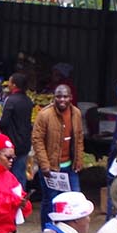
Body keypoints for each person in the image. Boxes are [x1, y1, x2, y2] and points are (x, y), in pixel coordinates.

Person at [31, 84, 85, 225]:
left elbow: (79, 138)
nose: (62, 100)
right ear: (54, 98)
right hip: (51, 168)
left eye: (65, 96)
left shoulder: (76, 113)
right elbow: (37, 140)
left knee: (75, 199)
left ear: (71, 98)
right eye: (59, 96)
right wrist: (44, 164)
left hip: (70, 166)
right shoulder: (45, 115)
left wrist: (79, 159)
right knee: (51, 200)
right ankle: (48, 232)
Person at [0, 75, 35, 188]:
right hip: (24, 144)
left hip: (11, 144)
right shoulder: (28, 101)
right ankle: (20, 201)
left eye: (9, 82)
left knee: (7, 174)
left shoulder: (11, 100)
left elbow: (4, 122)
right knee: (20, 176)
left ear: (14, 85)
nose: (7, 84)